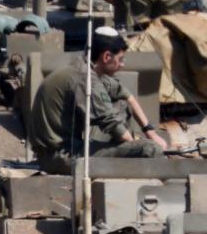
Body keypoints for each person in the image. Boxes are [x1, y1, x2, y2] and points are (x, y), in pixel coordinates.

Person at [28, 27, 166, 174]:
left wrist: (150, 133)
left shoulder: (84, 68)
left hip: (57, 151)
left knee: (121, 104)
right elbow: (112, 124)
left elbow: (128, 97)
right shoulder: (87, 81)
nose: (123, 64)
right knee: (150, 149)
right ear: (106, 57)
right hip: (60, 157)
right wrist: (137, 146)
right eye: (120, 59)